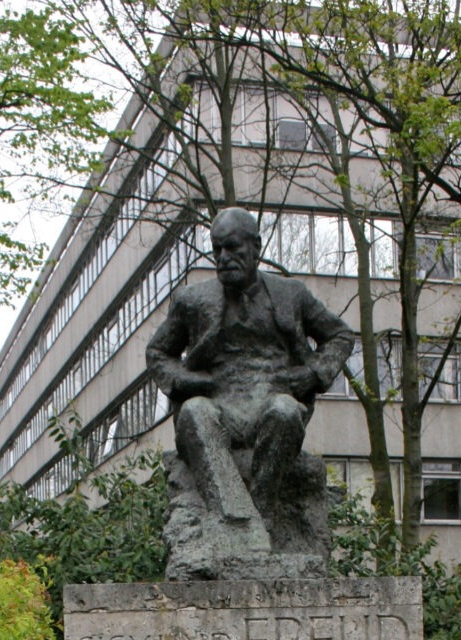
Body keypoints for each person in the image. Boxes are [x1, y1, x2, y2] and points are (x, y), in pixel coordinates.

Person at [146, 207, 355, 531]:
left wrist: (314, 373)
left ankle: (259, 517)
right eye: (217, 249)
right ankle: (235, 518)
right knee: (194, 413)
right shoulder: (192, 299)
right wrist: (190, 382)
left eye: (232, 248)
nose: (223, 257)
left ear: (255, 247)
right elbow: (158, 353)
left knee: (285, 411)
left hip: (272, 401)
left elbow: (340, 335)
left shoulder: (291, 295)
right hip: (218, 401)